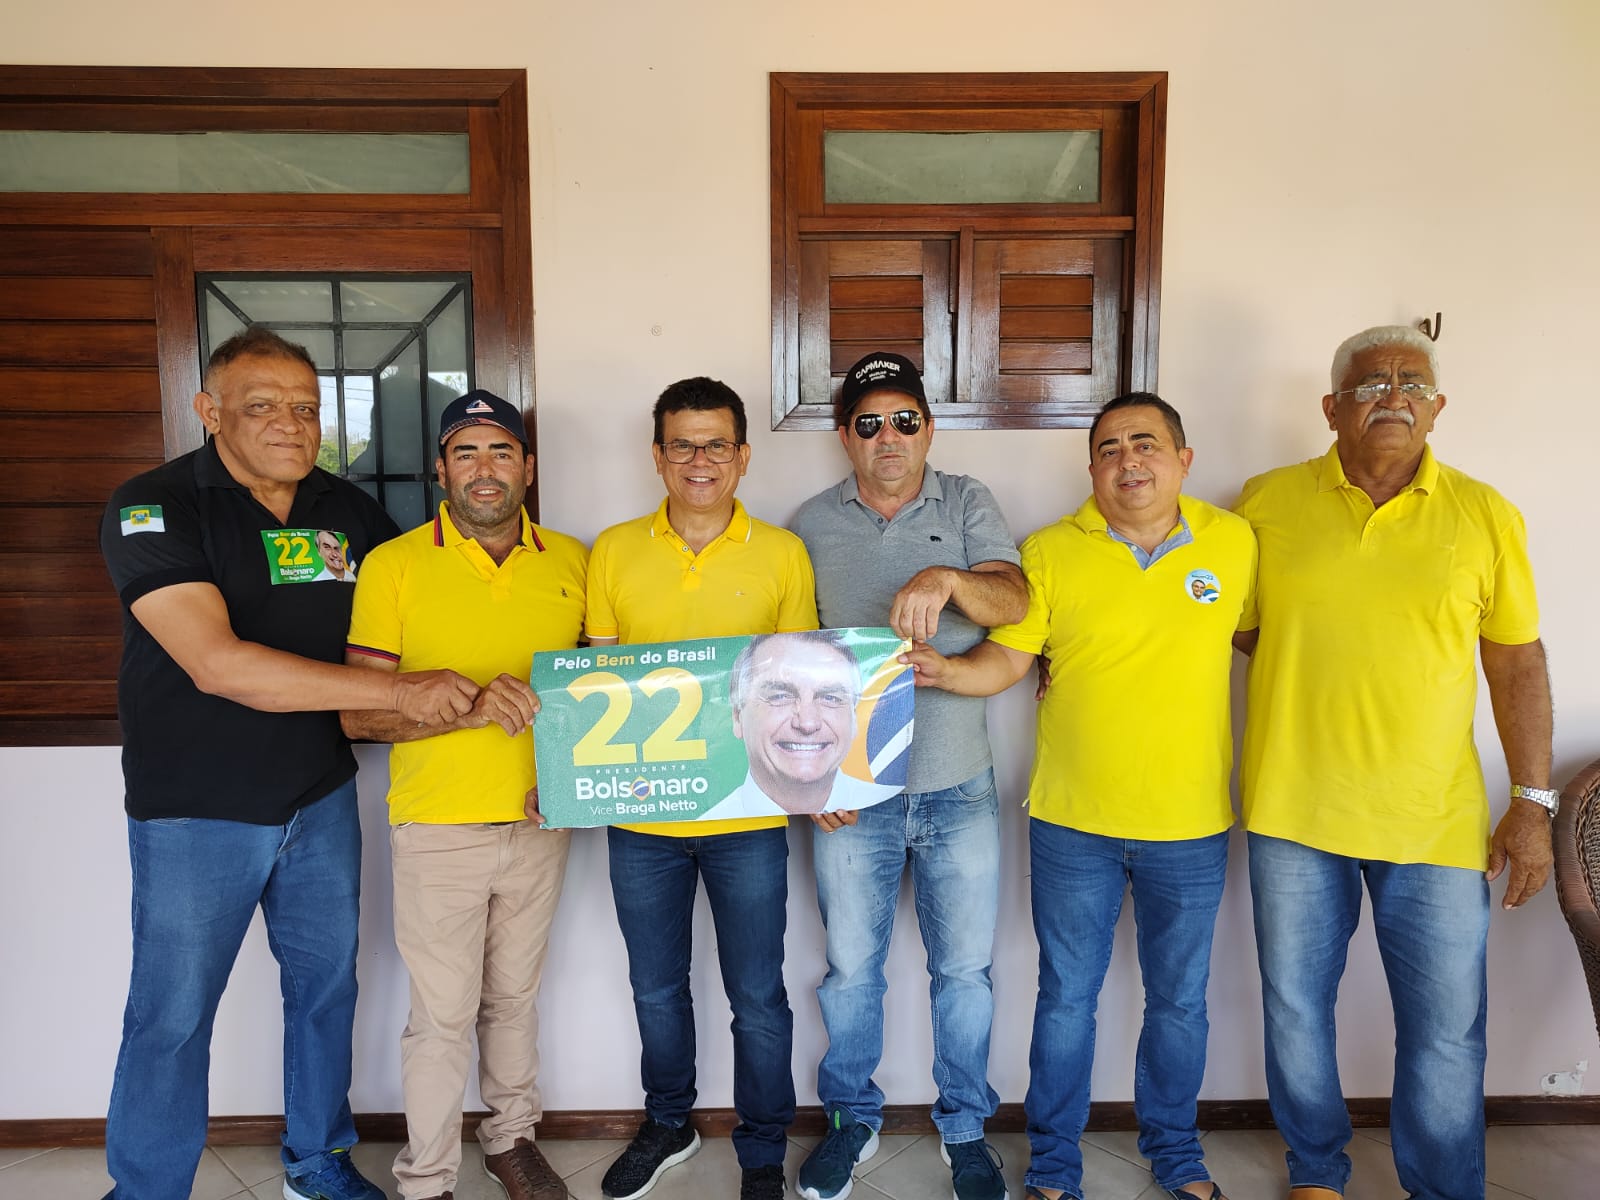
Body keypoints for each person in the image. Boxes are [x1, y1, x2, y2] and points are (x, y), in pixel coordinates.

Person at [97, 326, 478, 1200]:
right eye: (262, 406)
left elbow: (423, 605)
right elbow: (217, 665)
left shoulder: (347, 510)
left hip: (319, 795)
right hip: (197, 808)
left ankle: (317, 1160)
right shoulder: (154, 505)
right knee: (172, 1014)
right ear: (210, 410)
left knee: (325, 991)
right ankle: (148, 1188)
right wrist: (401, 693)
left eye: (306, 408)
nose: (290, 424)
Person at [905, 393, 1254, 1200]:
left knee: (1179, 1004)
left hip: (1191, 825)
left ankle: (1178, 1156)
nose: (1128, 460)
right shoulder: (1051, 551)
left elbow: (1262, 638)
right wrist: (947, 671)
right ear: (1091, 466)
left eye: (1146, 443)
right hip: (1072, 825)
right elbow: (1011, 659)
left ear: (1183, 459)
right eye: (1109, 448)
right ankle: (1054, 1165)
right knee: (1066, 1000)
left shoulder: (1235, 542)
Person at [1234, 325, 1553, 1200]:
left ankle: (1443, 1188)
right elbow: (1237, 625)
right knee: (1297, 1009)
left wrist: (1532, 802)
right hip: (1294, 810)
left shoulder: (1485, 515)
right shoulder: (1265, 501)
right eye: (1371, 383)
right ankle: (1316, 1173)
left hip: (1434, 819)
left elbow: (1516, 663)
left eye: (1413, 383)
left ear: (1438, 408)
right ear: (1331, 407)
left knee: (1447, 1029)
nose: (1394, 397)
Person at [789, 351, 1028, 1200]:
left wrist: (947, 578)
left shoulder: (966, 502)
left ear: (928, 429)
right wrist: (808, 780)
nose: (887, 437)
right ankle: (850, 1120)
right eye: (868, 423)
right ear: (844, 436)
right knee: (851, 972)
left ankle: (965, 1128)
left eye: (904, 420)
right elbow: (784, 664)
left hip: (959, 784)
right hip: (851, 793)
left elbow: (1014, 602)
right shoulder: (809, 524)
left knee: (964, 973)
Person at [340, 390, 586, 1200]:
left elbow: (596, 696)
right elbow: (358, 714)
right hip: (438, 828)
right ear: (441, 470)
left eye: (501, 451)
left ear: (528, 467)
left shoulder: (572, 561)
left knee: (514, 1001)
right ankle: (427, 1177)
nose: (486, 469)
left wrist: (573, 782)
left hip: (541, 822)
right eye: (467, 453)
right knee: (442, 1015)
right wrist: (472, 708)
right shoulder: (395, 564)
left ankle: (510, 1140)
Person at [583, 377, 818, 1200]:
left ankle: (762, 1149)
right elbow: (601, 684)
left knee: (757, 994)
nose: (699, 460)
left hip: (748, 813)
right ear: (658, 456)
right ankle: (668, 1122)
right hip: (642, 813)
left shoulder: (783, 553)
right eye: (682, 444)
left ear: (743, 455)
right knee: (655, 986)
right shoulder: (613, 550)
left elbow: (796, 687)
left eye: (716, 443)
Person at [700, 631, 901, 820]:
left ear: (854, 718)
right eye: (780, 696)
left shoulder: (888, 805)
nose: (807, 723)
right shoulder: (709, 820)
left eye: (830, 698)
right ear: (737, 717)